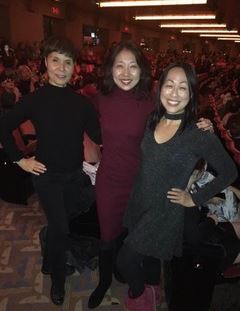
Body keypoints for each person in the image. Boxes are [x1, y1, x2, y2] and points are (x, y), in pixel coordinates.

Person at [88, 41, 213, 309]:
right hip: (110, 182)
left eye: (132, 66)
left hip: (145, 183)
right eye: (119, 65)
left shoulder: (151, 99)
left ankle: (147, 285)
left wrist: (204, 122)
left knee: (142, 237)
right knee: (108, 237)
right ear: (110, 69)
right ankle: (104, 282)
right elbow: (72, 109)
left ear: (141, 70)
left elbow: (179, 111)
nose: (125, 72)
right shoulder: (99, 95)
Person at [116, 62, 238, 311]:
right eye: (169, 85)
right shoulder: (153, 119)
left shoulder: (198, 133)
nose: (174, 92)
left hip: (164, 210)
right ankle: (152, 290)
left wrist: (195, 198)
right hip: (141, 200)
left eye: (183, 87)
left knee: (125, 261)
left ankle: (140, 300)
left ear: (192, 93)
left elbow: (229, 171)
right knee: (148, 258)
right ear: (160, 88)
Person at [0, 36, 101, 306]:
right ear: (46, 63)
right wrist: (20, 160)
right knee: (61, 228)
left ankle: (48, 260)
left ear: (74, 67)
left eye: (67, 62)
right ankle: (57, 278)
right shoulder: (36, 100)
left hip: (74, 176)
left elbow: (101, 135)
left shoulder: (82, 104)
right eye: (55, 60)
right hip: (46, 177)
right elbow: (4, 125)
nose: (61, 67)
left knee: (60, 228)